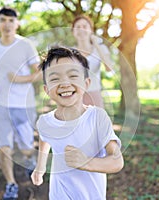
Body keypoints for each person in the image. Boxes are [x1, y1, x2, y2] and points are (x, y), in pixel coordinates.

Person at [31, 46, 124, 199]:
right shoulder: (45, 122)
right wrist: (40, 166)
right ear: (47, 89)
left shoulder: (97, 118)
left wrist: (86, 162)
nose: (64, 83)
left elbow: (117, 161)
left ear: (86, 83)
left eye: (73, 75)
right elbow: (44, 139)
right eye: (55, 78)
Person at [0, 7, 41, 200]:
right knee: (4, 146)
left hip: (25, 104)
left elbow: (39, 73)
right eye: (3, 20)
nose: (7, 24)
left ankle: (30, 157)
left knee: (25, 147)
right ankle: (11, 184)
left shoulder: (26, 45)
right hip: (1, 105)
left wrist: (19, 79)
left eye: (11, 21)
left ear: (17, 24)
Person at [72, 15, 114, 108]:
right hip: (75, 97)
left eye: (84, 26)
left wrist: (96, 44)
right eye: (78, 27)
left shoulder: (101, 48)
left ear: (91, 30)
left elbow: (109, 68)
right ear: (73, 32)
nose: (81, 29)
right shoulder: (69, 52)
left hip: (95, 95)